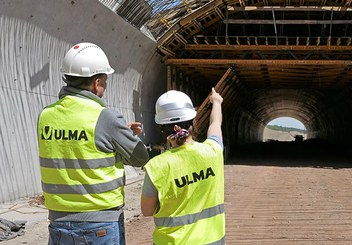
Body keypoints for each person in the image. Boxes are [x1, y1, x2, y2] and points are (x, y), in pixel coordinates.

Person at [37, 42, 150, 244]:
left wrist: (114, 132)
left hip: (58, 223)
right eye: (104, 83)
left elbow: (75, 147)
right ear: (97, 83)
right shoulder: (105, 118)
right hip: (100, 224)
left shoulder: (45, 116)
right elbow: (140, 157)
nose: (104, 89)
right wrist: (124, 135)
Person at [141, 89, 225, 244]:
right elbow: (215, 124)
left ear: (161, 127)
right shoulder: (213, 151)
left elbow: (147, 210)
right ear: (194, 122)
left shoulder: (156, 166)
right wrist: (217, 102)